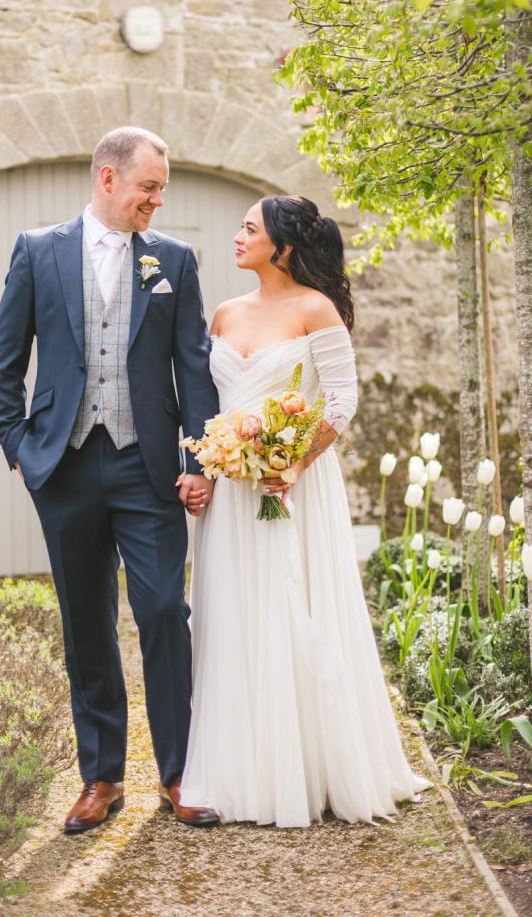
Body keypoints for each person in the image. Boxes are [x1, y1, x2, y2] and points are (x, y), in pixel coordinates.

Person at [0, 127, 220, 833]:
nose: (157, 199)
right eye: (149, 186)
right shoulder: (37, 250)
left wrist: (196, 461)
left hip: (146, 466)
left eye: (162, 189)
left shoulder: (173, 259)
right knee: (86, 622)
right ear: (107, 178)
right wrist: (20, 450)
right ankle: (102, 777)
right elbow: (4, 363)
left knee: (160, 615)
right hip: (63, 465)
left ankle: (179, 775)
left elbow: (194, 369)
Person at [180, 195, 431, 826]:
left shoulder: (316, 309)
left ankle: (310, 767)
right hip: (232, 493)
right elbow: (208, 408)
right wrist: (204, 470)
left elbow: (340, 403)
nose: (237, 235)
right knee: (233, 614)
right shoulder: (224, 313)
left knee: (291, 609)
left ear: (283, 246)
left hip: (291, 488)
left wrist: (290, 465)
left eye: (249, 228)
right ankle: (238, 768)